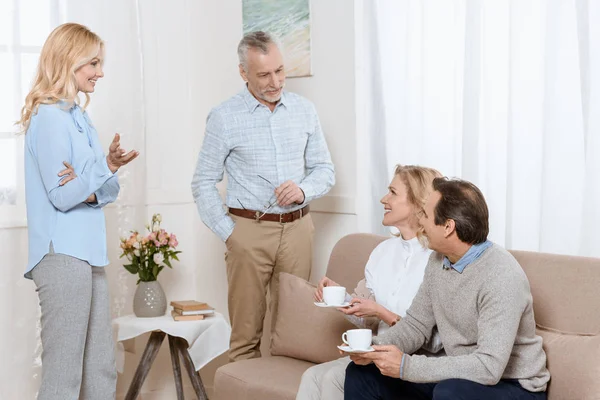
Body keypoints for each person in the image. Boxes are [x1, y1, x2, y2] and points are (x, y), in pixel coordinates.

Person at [191, 31, 335, 362]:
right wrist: (232, 235)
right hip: (248, 232)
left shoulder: (304, 111)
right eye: (264, 74)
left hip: (298, 230)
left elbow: (325, 170)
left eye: (280, 71)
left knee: (295, 335)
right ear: (243, 73)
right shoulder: (224, 117)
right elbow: (202, 182)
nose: (275, 81)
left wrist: (303, 189)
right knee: (245, 337)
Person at [345, 178, 550, 400]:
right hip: (460, 377)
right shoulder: (438, 260)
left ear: (448, 227)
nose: (420, 222)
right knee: (363, 373)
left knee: (450, 393)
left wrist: (406, 366)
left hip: (514, 385)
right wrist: (372, 349)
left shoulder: (501, 275)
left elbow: (489, 367)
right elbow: (416, 325)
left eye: (426, 215)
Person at [19, 23, 138, 399]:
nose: (100, 72)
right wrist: (97, 173)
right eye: (93, 63)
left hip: (87, 254)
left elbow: (106, 190)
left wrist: (98, 174)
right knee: (64, 374)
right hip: (62, 255)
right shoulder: (49, 118)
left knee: (101, 367)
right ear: (69, 61)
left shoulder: (79, 118)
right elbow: (61, 195)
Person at [296, 165, 443, 400]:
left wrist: (382, 312)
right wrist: (340, 298)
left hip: (416, 364)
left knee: (332, 378)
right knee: (312, 376)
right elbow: (365, 315)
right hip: (376, 352)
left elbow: (437, 342)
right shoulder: (382, 252)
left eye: (393, 193)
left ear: (418, 203)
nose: (384, 199)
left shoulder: (439, 259)